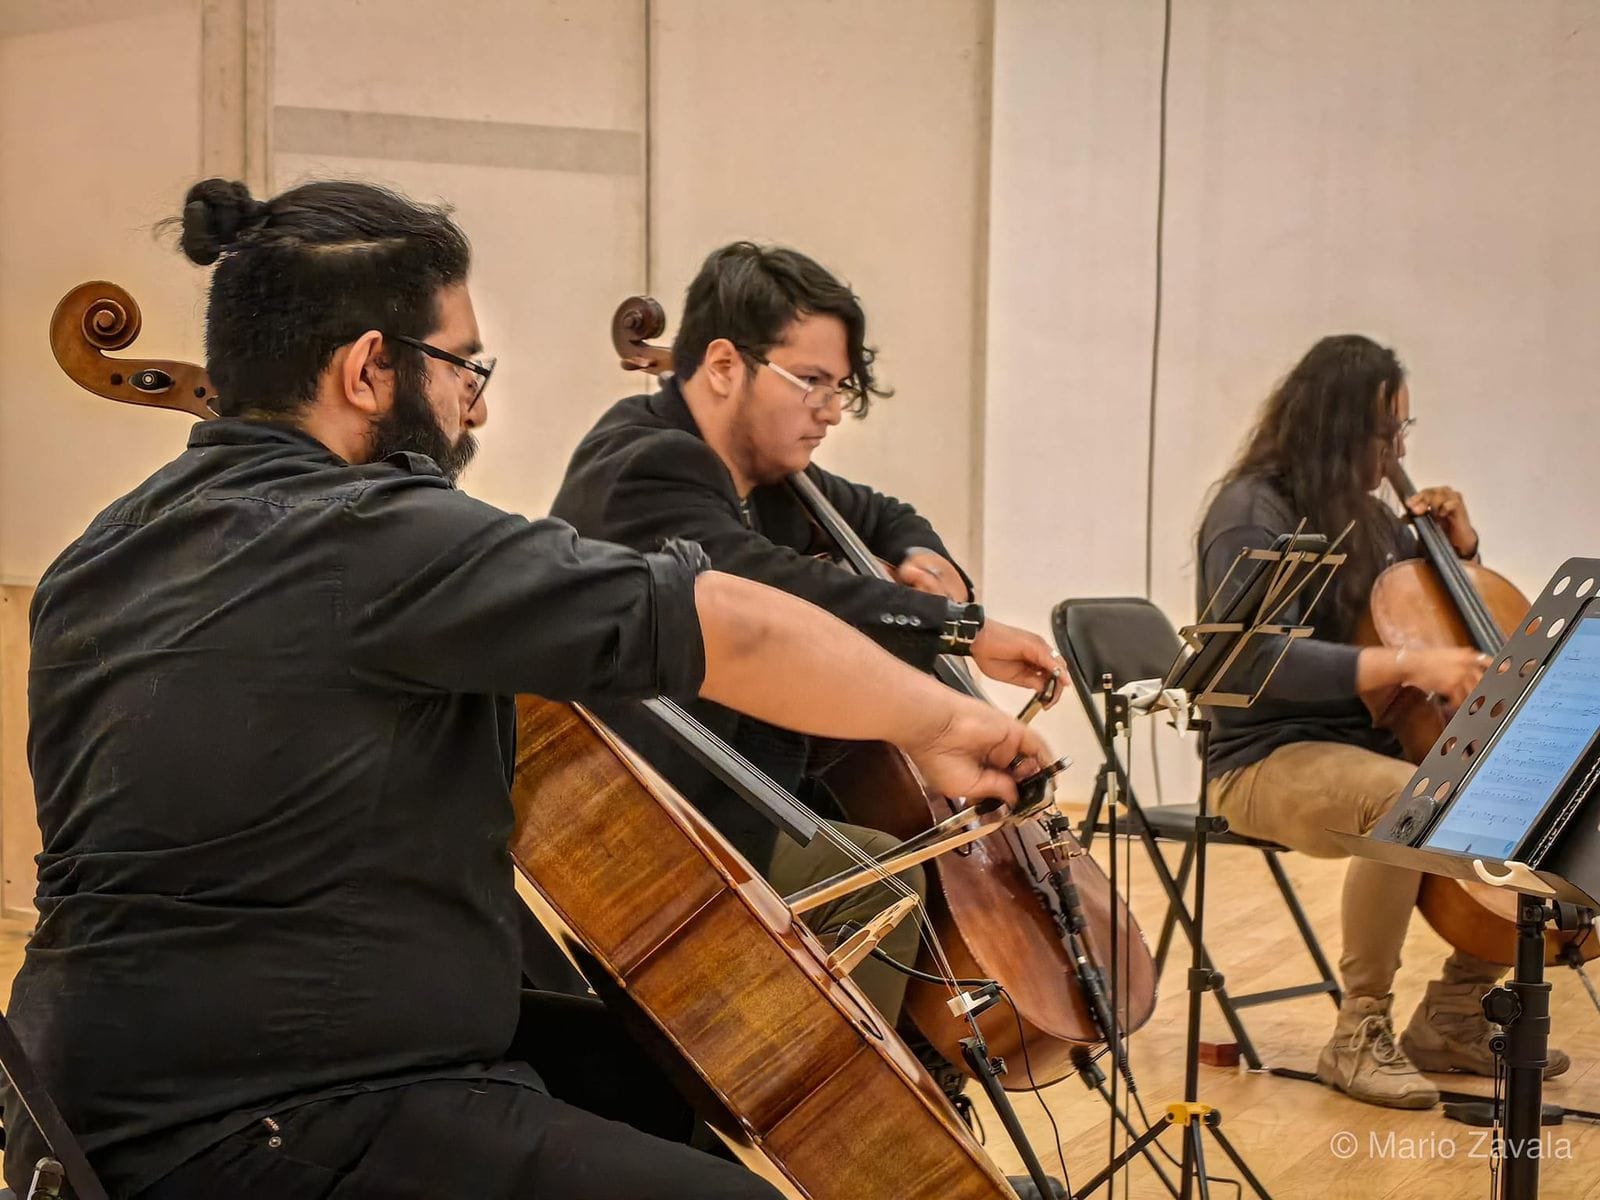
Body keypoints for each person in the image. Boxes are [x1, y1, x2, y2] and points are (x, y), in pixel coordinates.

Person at [3, 179, 1052, 1200]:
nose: (479, 400)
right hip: (273, 1116)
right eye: (463, 364)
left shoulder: (98, 556)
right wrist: (944, 717)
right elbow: (726, 623)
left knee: (664, 1078)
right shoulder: (369, 535)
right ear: (370, 370)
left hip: (91, 1099)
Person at [550, 241, 1064, 1031]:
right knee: (876, 882)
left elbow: (886, 515)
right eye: (812, 382)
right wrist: (962, 629)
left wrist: (927, 561)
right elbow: (773, 590)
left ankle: (913, 1063)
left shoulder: (769, 470)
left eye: (841, 388)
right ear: (724, 365)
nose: (829, 410)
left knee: (890, 853)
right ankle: (854, 1107)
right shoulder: (646, 463)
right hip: (656, 815)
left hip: (754, 785)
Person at [1196, 333, 1569, 1110]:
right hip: (1264, 757)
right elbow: (1253, 662)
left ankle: (1459, 1013)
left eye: (1404, 430)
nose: (1398, 449)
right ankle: (1358, 1031)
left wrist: (1459, 548)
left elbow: (1431, 614)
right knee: (1413, 799)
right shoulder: (1250, 512)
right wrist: (1403, 668)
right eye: (1385, 432)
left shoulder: (1369, 519)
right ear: (1335, 428)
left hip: (1366, 746)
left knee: (1531, 793)